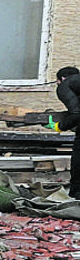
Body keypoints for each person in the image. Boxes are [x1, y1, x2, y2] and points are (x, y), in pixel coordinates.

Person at [51, 66, 80, 198]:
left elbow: (76, 114)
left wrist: (59, 126)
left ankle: (76, 194)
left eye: (57, 81)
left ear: (62, 78)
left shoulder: (65, 85)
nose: (57, 84)